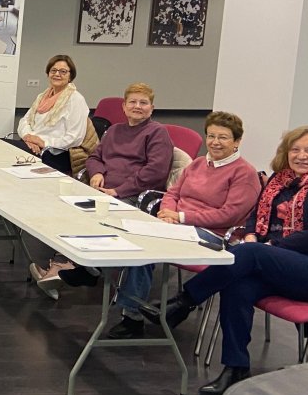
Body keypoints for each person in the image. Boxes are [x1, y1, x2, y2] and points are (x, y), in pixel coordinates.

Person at [144, 126, 308, 395]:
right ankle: (236, 367)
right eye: (295, 149)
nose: (302, 156)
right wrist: (255, 234)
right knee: (238, 284)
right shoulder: (281, 182)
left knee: (249, 253)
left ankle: (185, 300)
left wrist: (269, 246)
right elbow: (257, 216)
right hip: (284, 264)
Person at [101, 112, 261, 339]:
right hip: (177, 224)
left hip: (213, 235)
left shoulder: (244, 173)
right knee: (137, 239)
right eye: (211, 136)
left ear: (237, 142)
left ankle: (131, 316)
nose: (215, 142)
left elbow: (228, 215)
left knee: (149, 244)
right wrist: (168, 214)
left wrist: (182, 217)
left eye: (223, 137)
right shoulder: (197, 164)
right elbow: (173, 193)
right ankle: (131, 310)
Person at [31, 83, 173, 295]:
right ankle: (66, 265)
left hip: (132, 195)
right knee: (62, 209)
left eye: (143, 103)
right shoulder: (115, 130)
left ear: (152, 108)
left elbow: (155, 172)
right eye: (133, 102)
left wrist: (118, 191)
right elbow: (95, 157)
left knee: (94, 217)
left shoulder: (157, 133)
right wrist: (97, 173)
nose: (138, 106)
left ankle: (73, 268)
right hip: (102, 190)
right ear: (124, 107)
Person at [6, 55, 89, 175]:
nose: (57, 74)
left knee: (4, 151)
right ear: (48, 74)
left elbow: (75, 138)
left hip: (56, 154)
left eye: (63, 71)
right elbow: (24, 121)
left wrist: (43, 142)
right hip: (32, 146)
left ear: (71, 76)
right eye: (53, 70)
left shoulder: (76, 99)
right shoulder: (42, 96)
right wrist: (29, 137)